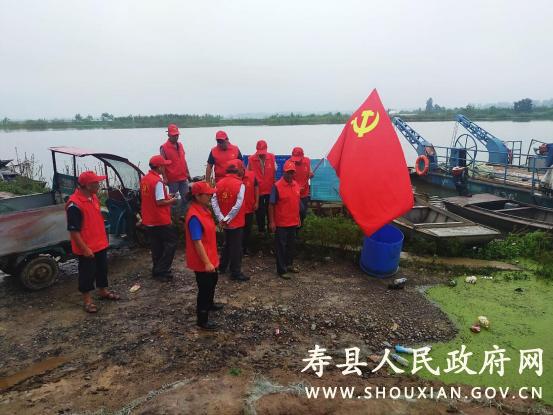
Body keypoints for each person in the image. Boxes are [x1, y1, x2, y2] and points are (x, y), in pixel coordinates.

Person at [66, 171, 120, 313]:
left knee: (102, 269)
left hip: (100, 243)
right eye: (96, 183)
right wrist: (84, 249)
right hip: (87, 247)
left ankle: (103, 291)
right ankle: (87, 301)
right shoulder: (74, 205)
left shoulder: (93, 197)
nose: (98, 185)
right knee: (87, 273)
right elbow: (74, 231)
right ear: (88, 185)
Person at [185, 181, 223, 330]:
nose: (210, 196)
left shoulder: (204, 210)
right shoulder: (194, 216)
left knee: (213, 280)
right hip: (202, 260)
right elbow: (197, 241)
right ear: (198, 196)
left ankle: (210, 304)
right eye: (208, 194)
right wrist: (207, 263)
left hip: (210, 255)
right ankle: (202, 319)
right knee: (205, 288)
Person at [140, 155, 179, 281]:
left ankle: (157, 270)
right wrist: (173, 200)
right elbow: (160, 201)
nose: (165, 168)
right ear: (160, 167)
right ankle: (161, 269)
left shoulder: (145, 179)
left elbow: (152, 197)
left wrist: (167, 196)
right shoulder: (157, 181)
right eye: (164, 166)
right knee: (171, 243)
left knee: (156, 246)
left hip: (149, 218)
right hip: (160, 219)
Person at [211, 160, 249, 281]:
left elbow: (213, 201)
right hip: (235, 221)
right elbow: (238, 204)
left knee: (227, 244)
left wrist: (221, 218)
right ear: (238, 170)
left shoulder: (219, 183)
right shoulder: (240, 184)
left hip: (224, 221)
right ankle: (235, 272)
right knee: (236, 247)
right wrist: (228, 218)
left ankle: (222, 266)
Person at [268, 160, 301, 279]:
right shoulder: (277, 186)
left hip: (293, 221)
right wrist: (272, 222)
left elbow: (297, 203)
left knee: (291, 246)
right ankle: (281, 270)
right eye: (288, 172)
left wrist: (298, 218)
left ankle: (289, 265)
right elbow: (271, 205)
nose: (290, 175)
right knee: (281, 247)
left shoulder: (296, 185)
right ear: (284, 172)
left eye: (292, 172)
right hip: (281, 223)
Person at [160, 123, 191, 218]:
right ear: (168, 135)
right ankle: (172, 218)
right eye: (174, 135)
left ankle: (183, 216)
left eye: (177, 135)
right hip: (172, 179)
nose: (176, 137)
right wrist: (164, 177)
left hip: (183, 177)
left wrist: (188, 173)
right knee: (173, 200)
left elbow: (183, 160)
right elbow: (162, 164)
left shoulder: (180, 145)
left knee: (186, 197)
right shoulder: (164, 147)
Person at [247, 139, 276, 234]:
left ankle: (271, 230)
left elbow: (275, 170)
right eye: (260, 152)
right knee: (260, 211)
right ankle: (261, 231)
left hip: (270, 189)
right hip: (257, 190)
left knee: (270, 210)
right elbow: (248, 174)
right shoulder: (251, 159)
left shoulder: (272, 157)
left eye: (263, 152)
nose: (262, 154)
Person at [289, 147, 314, 226]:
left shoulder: (307, 161)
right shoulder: (289, 163)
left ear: (302, 156)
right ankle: (294, 229)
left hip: (304, 193)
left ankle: (299, 228)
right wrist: (297, 188)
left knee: (303, 213)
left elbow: (310, 172)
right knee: (297, 212)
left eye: (298, 158)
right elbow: (287, 180)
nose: (296, 161)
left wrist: (311, 174)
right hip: (293, 193)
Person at [238, 159, 259, 255]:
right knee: (239, 230)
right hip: (237, 210)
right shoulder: (234, 177)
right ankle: (238, 248)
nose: (237, 172)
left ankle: (245, 249)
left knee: (247, 230)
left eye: (238, 170)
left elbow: (256, 188)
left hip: (249, 208)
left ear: (242, 168)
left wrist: (257, 202)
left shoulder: (251, 175)